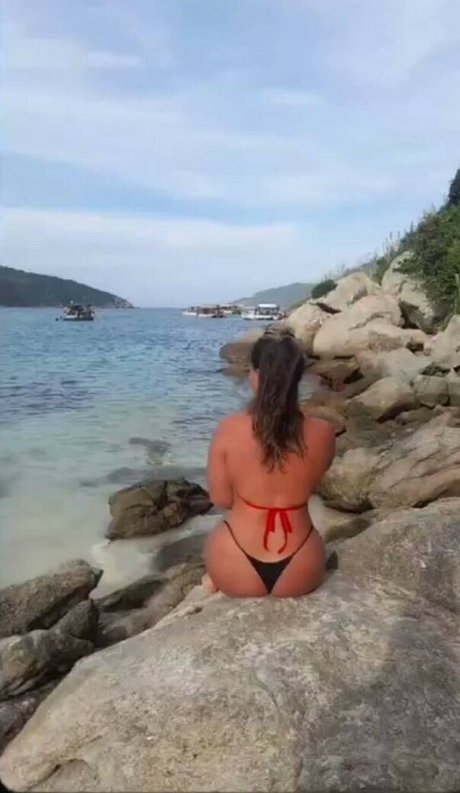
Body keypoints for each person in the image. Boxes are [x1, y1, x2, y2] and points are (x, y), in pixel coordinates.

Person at [203, 328, 336, 598]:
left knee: (217, 545)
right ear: (297, 378)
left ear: (256, 375)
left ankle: (212, 581)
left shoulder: (229, 429)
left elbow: (221, 499)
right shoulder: (324, 432)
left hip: (235, 560)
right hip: (301, 563)